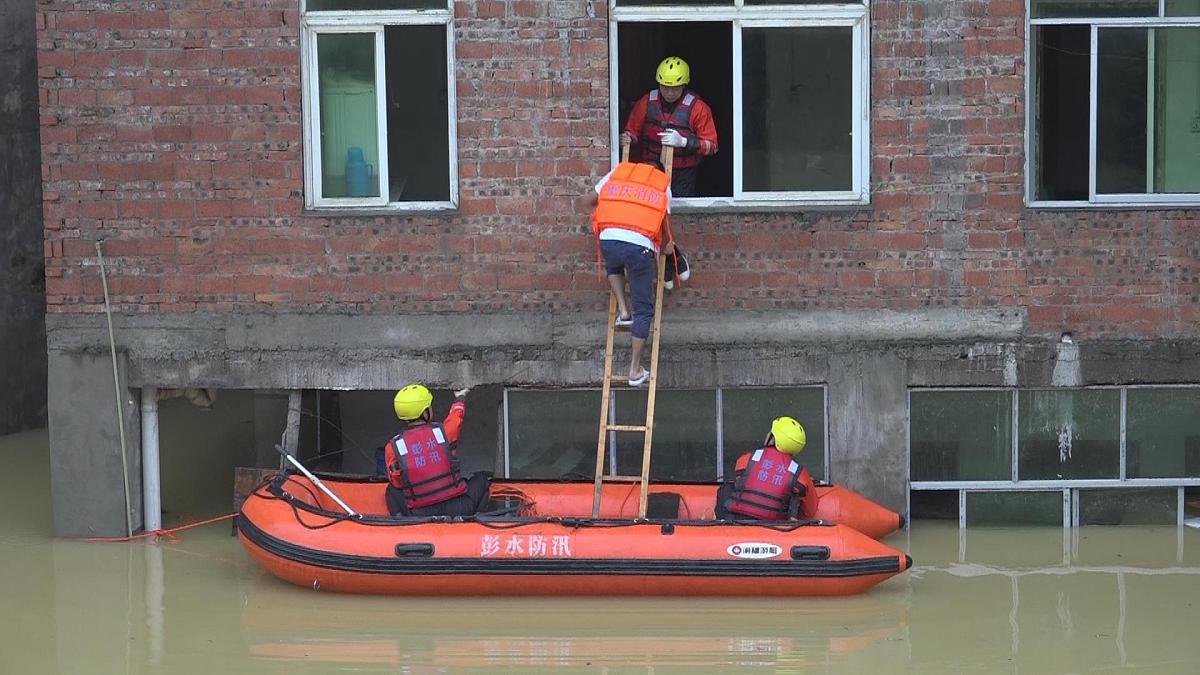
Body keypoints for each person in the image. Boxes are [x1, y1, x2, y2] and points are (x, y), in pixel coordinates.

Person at [584, 160, 676, 386]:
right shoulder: (662, 185)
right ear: (659, 171)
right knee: (644, 308)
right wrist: (665, 248)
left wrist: (607, 221)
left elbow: (588, 200)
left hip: (608, 238)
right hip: (639, 246)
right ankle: (634, 370)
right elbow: (663, 222)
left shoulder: (619, 173)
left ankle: (624, 311)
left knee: (614, 264)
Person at [383, 383, 490, 517]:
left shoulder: (393, 446)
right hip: (459, 507)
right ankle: (476, 521)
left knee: (391, 491)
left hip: (418, 513)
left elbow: (397, 482)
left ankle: (402, 522)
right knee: (482, 480)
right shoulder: (443, 432)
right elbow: (456, 416)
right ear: (425, 412)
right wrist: (460, 396)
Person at [620, 56, 719, 197]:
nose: (670, 93)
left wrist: (683, 142)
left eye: (675, 88)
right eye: (665, 88)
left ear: (684, 85)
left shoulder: (698, 108)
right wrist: (628, 138)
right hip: (651, 168)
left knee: (680, 210)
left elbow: (712, 146)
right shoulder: (646, 102)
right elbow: (632, 131)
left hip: (684, 173)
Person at [715, 416, 819, 521]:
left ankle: (719, 529)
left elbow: (739, 478)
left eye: (771, 433)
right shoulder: (800, 474)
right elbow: (810, 511)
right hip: (774, 528)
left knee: (727, 488)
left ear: (773, 439)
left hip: (737, 521)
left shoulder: (747, 459)